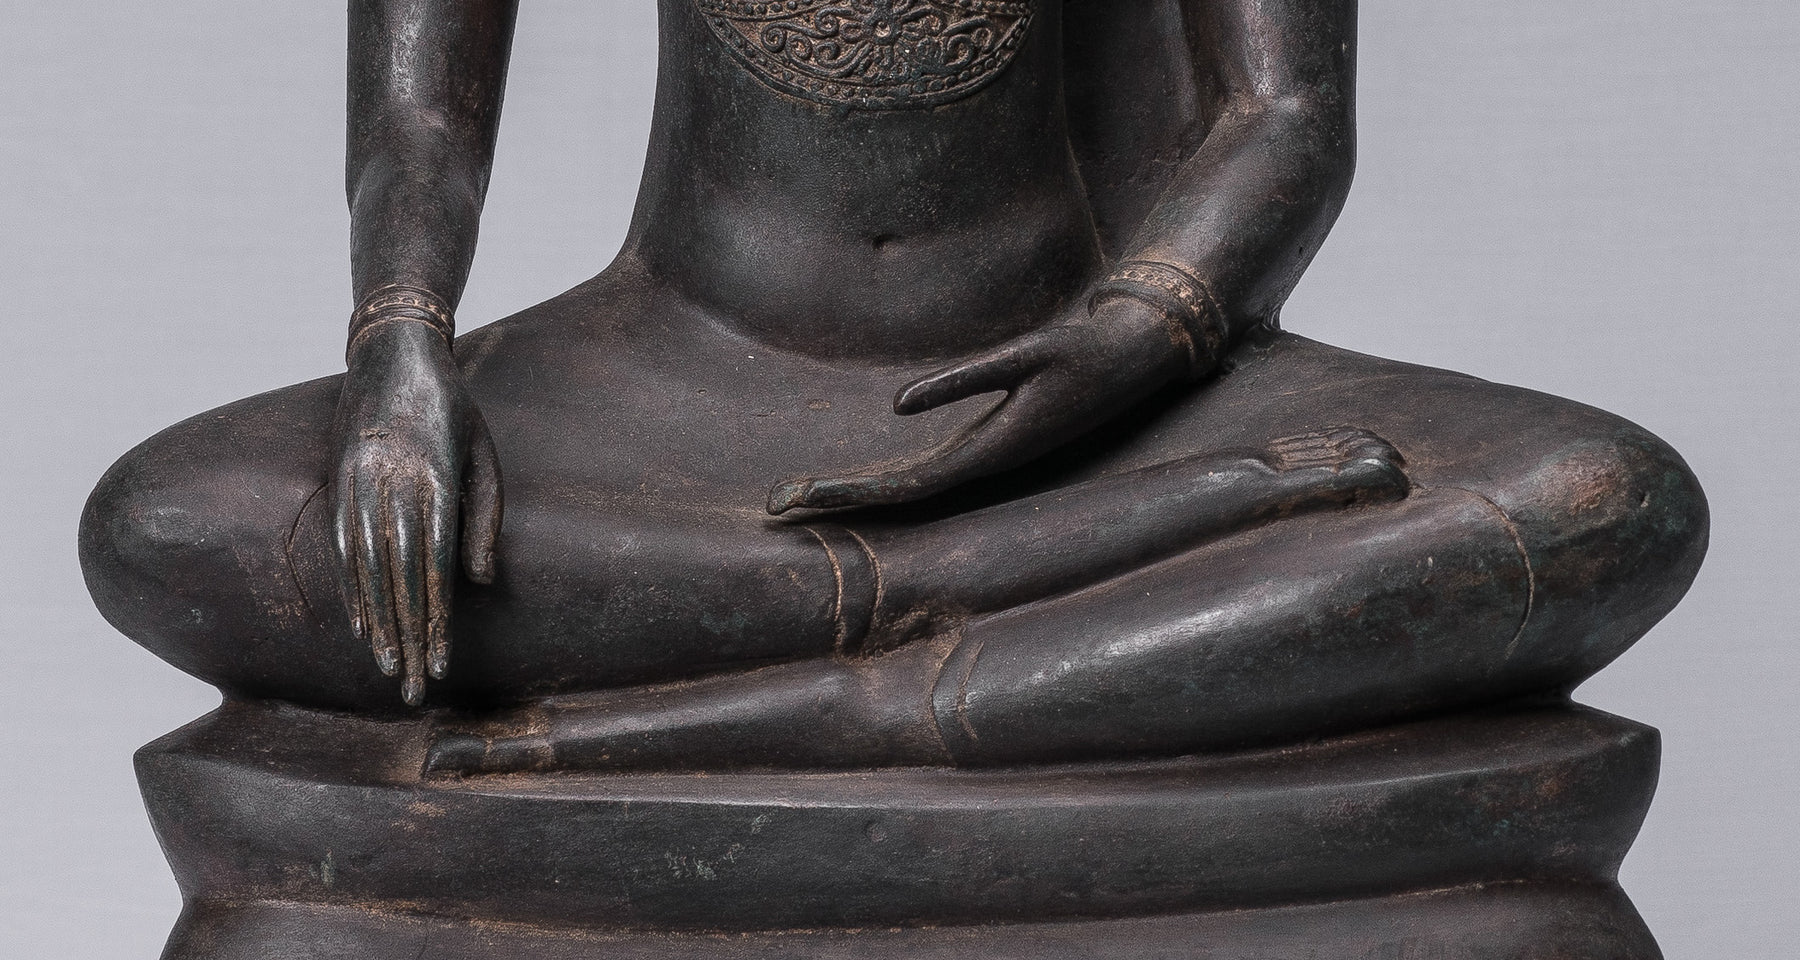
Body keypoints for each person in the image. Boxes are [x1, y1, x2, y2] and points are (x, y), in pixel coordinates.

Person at [79, 0, 1707, 773]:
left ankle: (854, 661)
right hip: (664, 381)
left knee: (1596, 502)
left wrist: (1134, 336)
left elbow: (1282, 115)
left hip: (1090, 390)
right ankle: (930, 596)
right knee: (176, 522)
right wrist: (401, 351)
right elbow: (420, 119)